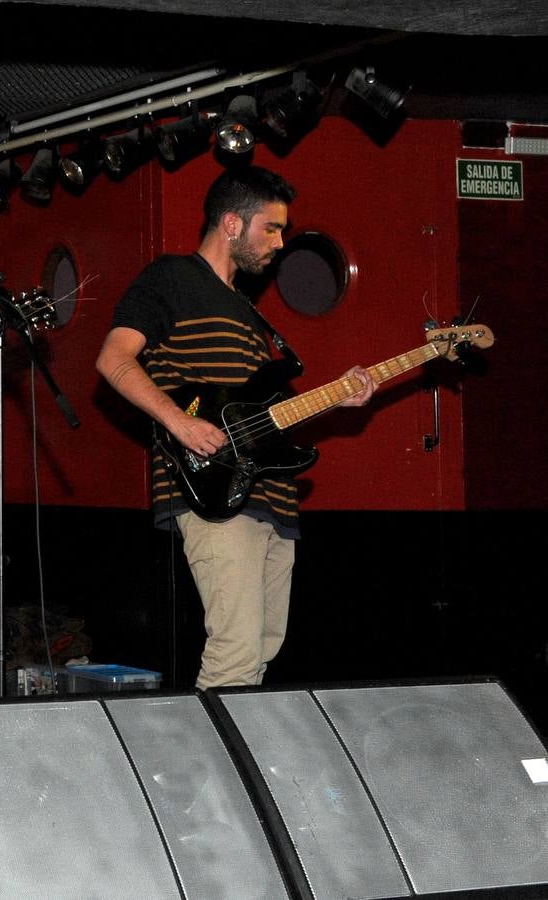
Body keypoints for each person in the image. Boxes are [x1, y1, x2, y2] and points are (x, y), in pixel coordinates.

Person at [95, 166, 375, 690]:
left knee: (261, 650)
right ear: (230, 224)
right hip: (214, 490)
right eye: (271, 228)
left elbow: (264, 415)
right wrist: (179, 422)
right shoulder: (170, 279)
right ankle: (217, 771)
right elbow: (114, 360)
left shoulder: (248, 313)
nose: (280, 242)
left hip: (270, 496)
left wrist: (340, 398)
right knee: (235, 653)